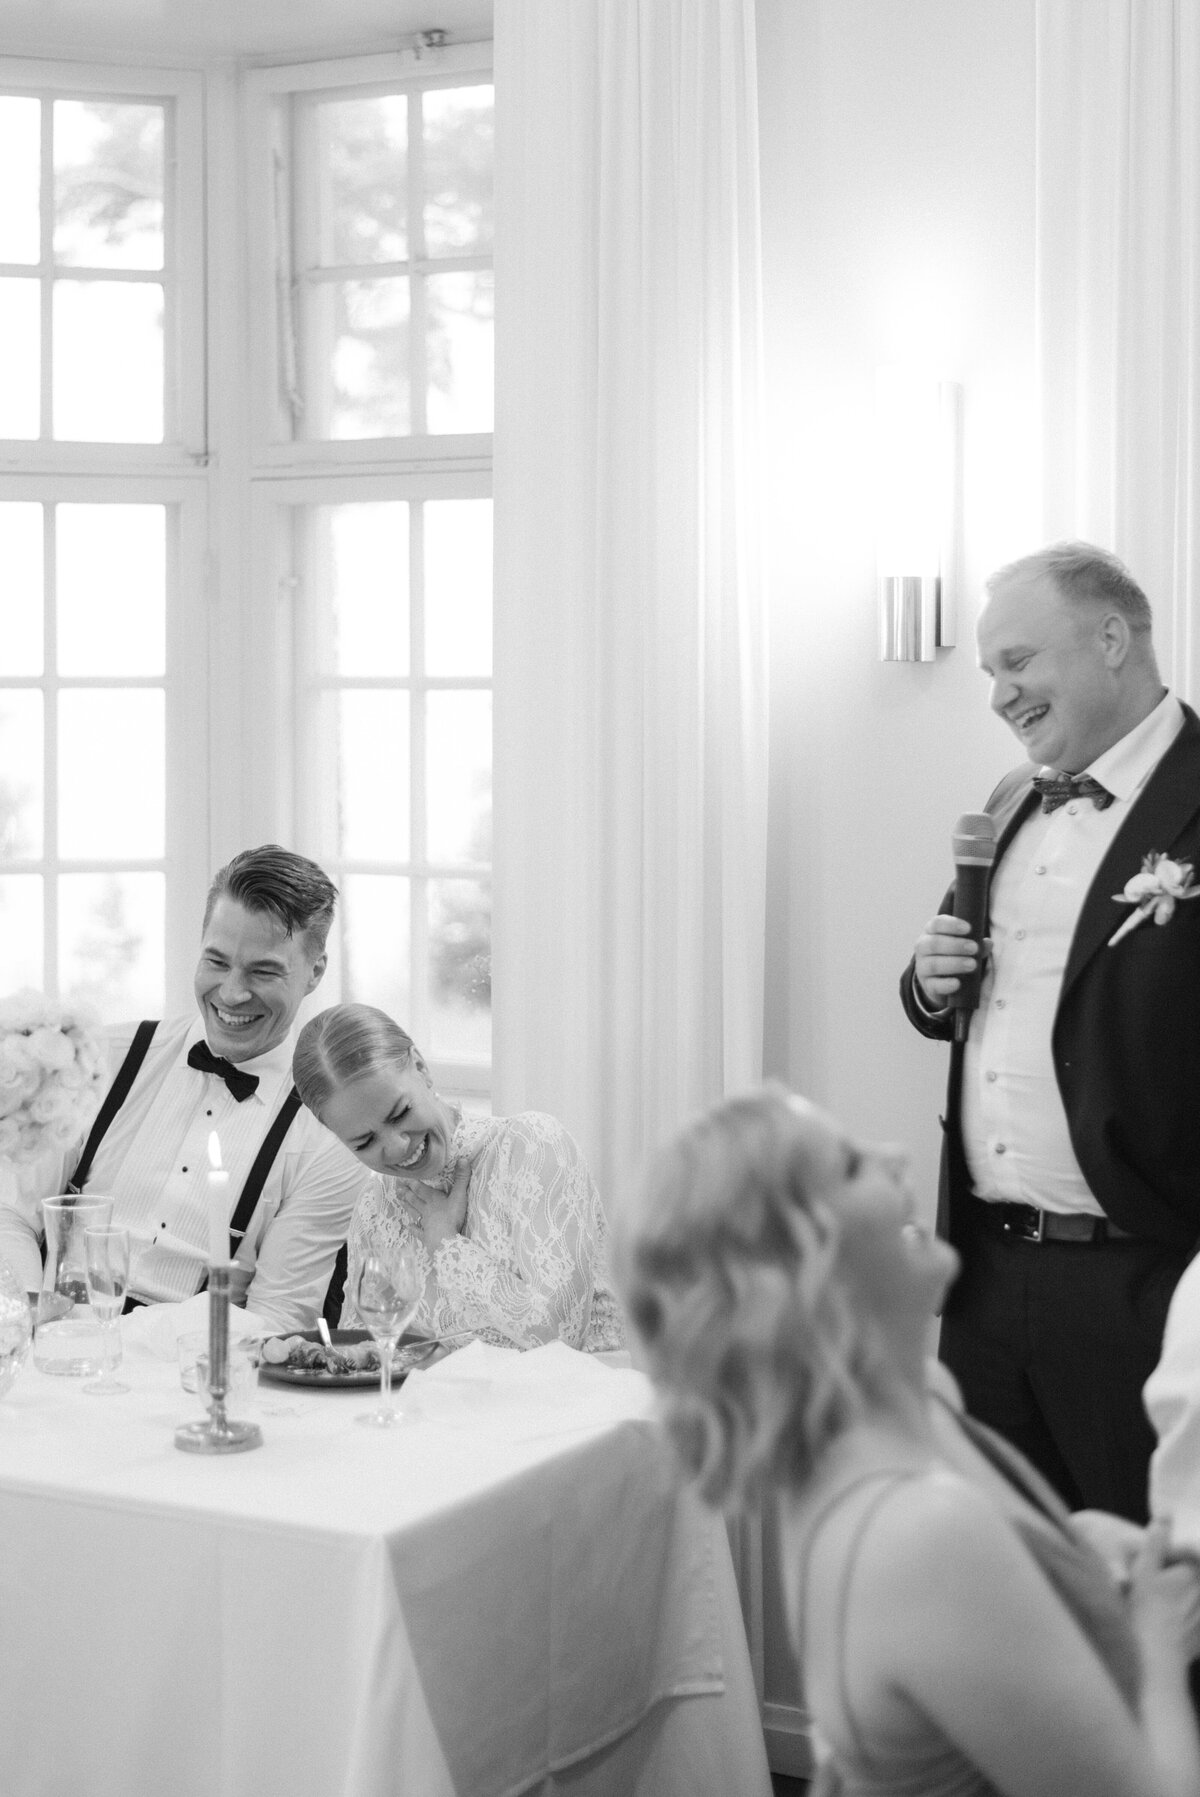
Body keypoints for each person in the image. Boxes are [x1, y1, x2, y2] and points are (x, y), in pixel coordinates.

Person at [614, 1085, 1200, 1797]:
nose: (895, 1154)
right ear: (804, 1269)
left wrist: (1073, 1543)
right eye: (852, 1165)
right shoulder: (922, 1536)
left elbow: (985, 1578)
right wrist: (1158, 1644)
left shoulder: (921, 1399)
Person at [900, 540, 1200, 1521]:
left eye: (1018, 663)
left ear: (1112, 639)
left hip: (1144, 1281)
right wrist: (927, 981)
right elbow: (965, 987)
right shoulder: (1011, 799)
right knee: (1009, 1586)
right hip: (986, 1278)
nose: (999, 695)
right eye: (991, 672)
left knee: (1152, 1598)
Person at [0, 845, 368, 1336]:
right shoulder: (102, 1058)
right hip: (53, 1346)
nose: (233, 993)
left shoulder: (328, 1136)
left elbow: (278, 1320)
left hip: (190, 1372)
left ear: (315, 972)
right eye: (216, 962)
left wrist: (146, 1343)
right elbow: (11, 1216)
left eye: (263, 971)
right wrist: (25, 1321)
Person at [292, 1002, 625, 1351]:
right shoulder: (376, 1206)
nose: (396, 1147)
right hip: (439, 1405)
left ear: (420, 1067)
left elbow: (560, 1337)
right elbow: (368, 1352)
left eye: (400, 1113)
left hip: (580, 1399)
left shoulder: (532, 1146)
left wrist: (447, 1245)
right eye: (365, 1142)